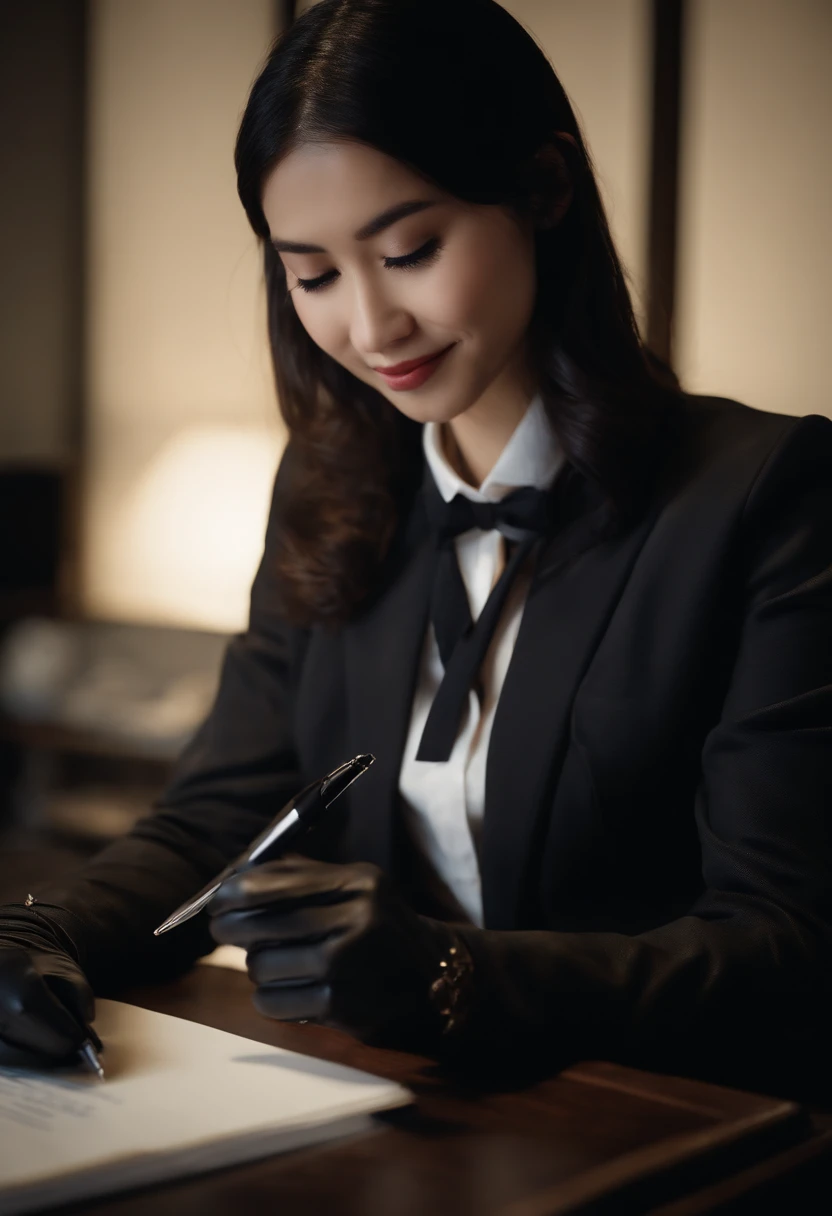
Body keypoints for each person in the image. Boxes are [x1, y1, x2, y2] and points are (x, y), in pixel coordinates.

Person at [1, 0, 830, 1097]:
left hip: (665, 1121)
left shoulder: (764, 497)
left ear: (543, 189)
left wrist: (450, 973)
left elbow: (784, 945)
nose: (371, 325)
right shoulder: (334, 485)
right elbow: (219, 816)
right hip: (400, 1118)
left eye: (409, 250)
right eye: (314, 275)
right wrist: (43, 932)